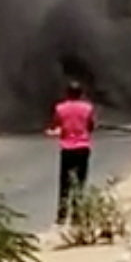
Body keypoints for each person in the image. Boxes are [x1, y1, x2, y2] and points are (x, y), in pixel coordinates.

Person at [49, 79, 96, 221]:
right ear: (81, 94)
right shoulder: (88, 108)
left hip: (67, 148)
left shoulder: (60, 108)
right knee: (80, 181)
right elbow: (91, 126)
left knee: (65, 182)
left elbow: (56, 125)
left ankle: (62, 214)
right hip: (83, 147)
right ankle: (77, 213)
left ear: (67, 93)